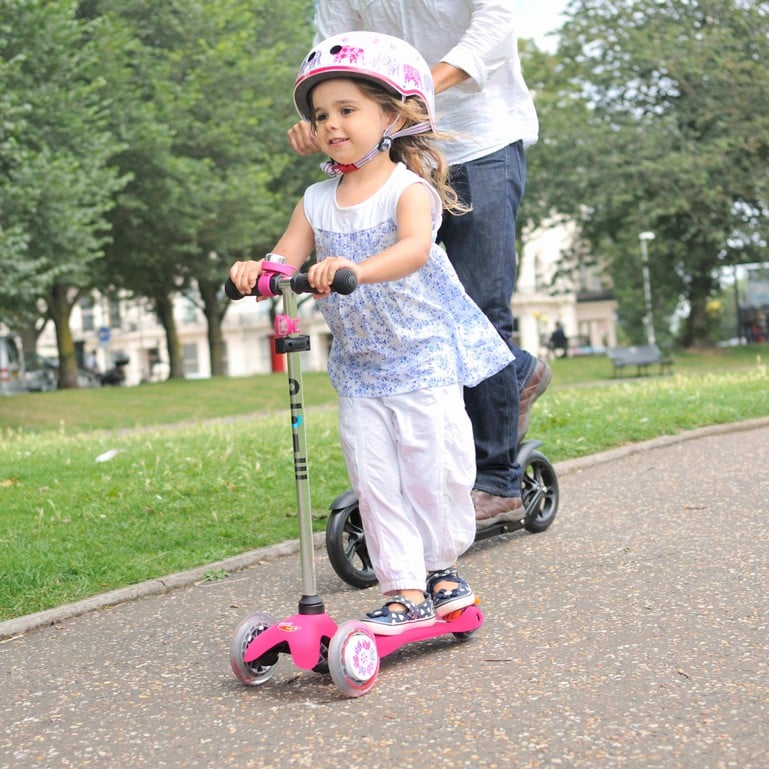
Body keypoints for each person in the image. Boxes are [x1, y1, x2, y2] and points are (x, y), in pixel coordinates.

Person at [229, 32, 514, 634]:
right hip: (361, 368)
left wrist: (356, 268)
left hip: (424, 358)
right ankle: (403, 588)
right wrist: (259, 272)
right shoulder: (315, 199)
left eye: (347, 110)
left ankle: (442, 570)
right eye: (321, 114)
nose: (331, 124)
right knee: (375, 482)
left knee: (434, 473)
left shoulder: (407, 190)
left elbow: (413, 250)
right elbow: (285, 258)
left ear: (392, 114)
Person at [288, 1, 552, 530]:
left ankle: (496, 481)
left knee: (480, 301)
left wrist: (418, 89)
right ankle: (515, 372)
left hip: (480, 139)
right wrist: (321, 117)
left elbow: (496, 22)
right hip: (390, 149)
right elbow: (331, 50)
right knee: (398, 293)